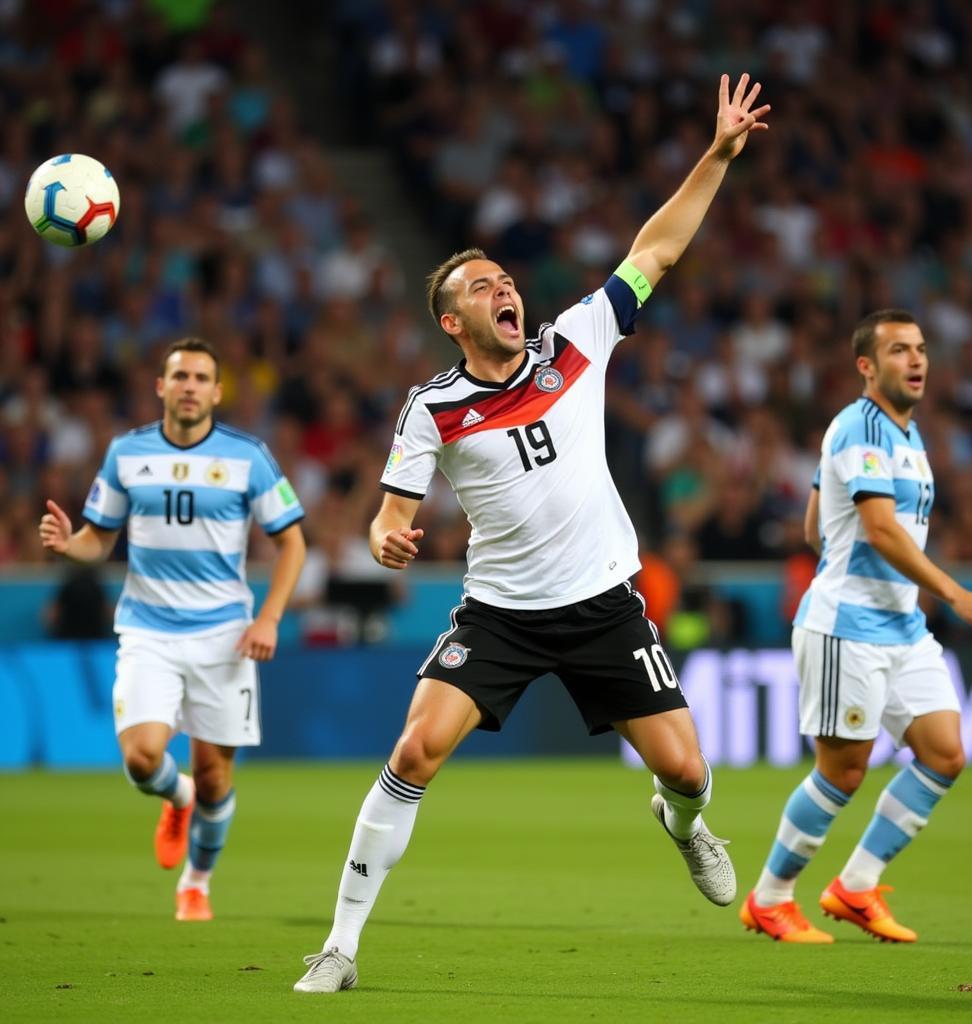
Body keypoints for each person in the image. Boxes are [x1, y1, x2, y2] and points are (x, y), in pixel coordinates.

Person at [294, 73, 770, 994]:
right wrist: (392, 536)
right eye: (483, 287)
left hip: (603, 605)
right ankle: (342, 947)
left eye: (505, 280)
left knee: (689, 769)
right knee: (412, 752)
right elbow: (393, 510)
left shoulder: (577, 340)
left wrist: (715, 153)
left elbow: (658, 250)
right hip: (502, 615)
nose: (503, 290)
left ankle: (684, 827)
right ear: (453, 320)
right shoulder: (432, 408)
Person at [740, 309, 972, 944]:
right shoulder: (859, 428)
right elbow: (880, 528)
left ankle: (856, 886)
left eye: (920, 349)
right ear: (867, 366)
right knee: (843, 772)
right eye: (898, 351)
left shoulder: (907, 436)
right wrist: (951, 591)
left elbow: (815, 526)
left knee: (944, 754)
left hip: (901, 627)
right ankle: (771, 897)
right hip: (847, 628)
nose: (916, 360)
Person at [39, 337, 306, 921]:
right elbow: (98, 539)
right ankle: (174, 796)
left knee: (215, 776)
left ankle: (197, 881)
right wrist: (69, 544)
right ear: (161, 387)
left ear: (216, 391)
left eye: (201, 377)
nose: (189, 386)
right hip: (148, 630)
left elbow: (292, 542)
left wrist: (269, 616)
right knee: (141, 760)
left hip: (225, 637)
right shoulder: (126, 454)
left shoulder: (248, 456)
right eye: (179, 376)